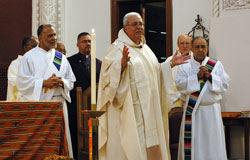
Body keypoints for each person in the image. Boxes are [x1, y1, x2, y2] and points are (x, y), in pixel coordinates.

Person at [97, 12, 190, 160]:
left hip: (149, 110)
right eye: (135, 24)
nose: (139, 27)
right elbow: (106, 79)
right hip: (131, 112)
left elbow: (155, 72)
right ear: (125, 28)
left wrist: (170, 64)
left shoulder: (145, 49)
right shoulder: (117, 49)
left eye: (141, 24)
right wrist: (120, 66)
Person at [16, 24, 76, 158]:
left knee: (61, 137)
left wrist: (62, 82)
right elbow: (22, 82)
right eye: (50, 35)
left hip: (60, 103)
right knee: (42, 139)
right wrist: (44, 83)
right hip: (41, 103)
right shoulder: (29, 57)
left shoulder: (60, 57)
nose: (54, 38)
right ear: (40, 37)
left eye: (54, 35)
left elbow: (71, 80)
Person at [176, 37, 230, 160]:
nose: (200, 50)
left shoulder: (216, 65)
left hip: (212, 112)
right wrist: (196, 77)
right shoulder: (185, 65)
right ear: (192, 48)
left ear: (207, 48)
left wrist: (210, 77)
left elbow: (225, 84)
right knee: (195, 146)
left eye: (203, 47)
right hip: (193, 112)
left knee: (213, 145)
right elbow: (179, 84)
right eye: (197, 47)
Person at [67, 32, 102, 159]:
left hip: (94, 110)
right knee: (77, 141)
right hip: (76, 109)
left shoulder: (99, 63)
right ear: (77, 44)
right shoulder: (69, 62)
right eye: (84, 41)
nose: (88, 44)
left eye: (89, 41)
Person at [6, 35, 38, 101]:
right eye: (34, 46)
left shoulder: (38, 63)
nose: (36, 49)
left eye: (38, 46)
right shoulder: (15, 64)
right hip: (20, 101)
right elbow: (14, 82)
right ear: (25, 47)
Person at [165, 34, 193, 109]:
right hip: (174, 99)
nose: (184, 46)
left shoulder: (196, 60)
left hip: (191, 99)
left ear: (191, 45)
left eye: (187, 43)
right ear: (177, 44)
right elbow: (166, 83)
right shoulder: (170, 60)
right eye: (182, 43)